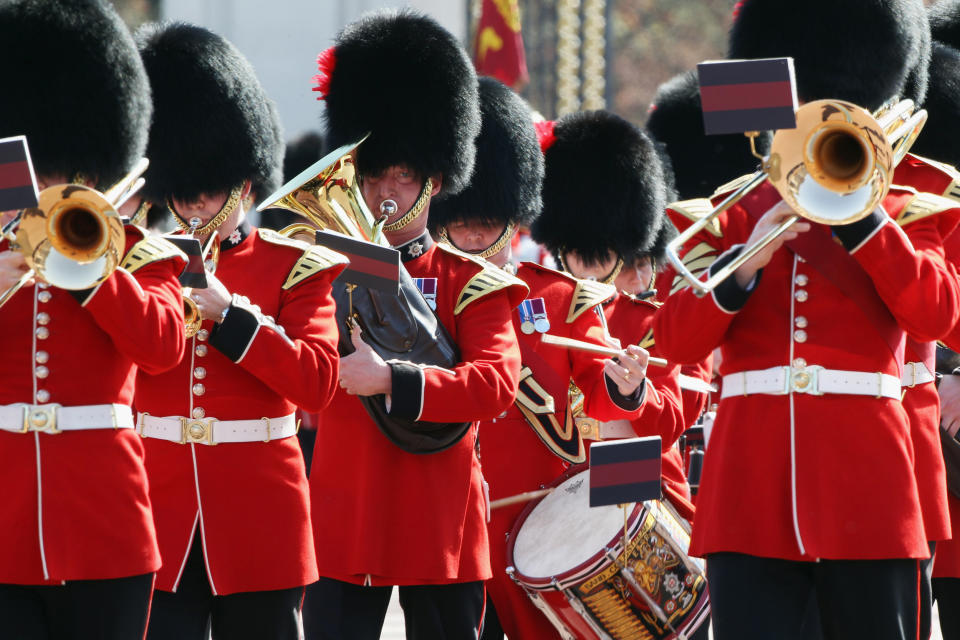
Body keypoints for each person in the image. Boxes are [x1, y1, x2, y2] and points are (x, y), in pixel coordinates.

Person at [654, 1, 960, 638]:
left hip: (867, 491)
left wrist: (865, 220)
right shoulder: (731, 213)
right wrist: (742, 265)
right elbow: (675, 340)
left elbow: (935, 313)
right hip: (749, 496)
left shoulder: (912, 208)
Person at [303, 10, 527, 640]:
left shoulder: (469, 279)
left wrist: (392, 380)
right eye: (375, 176)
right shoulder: (320, 272)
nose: (387, 194)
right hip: (350, 516)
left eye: (404, 175)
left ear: (434, 181)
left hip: (439, 524)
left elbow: (494, 385)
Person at [132, 22, 347, 639]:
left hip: (260, 515)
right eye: (184, 195)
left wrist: (234, 317)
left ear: (247, 182)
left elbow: (318, 383)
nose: (196, 208)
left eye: (210, 193)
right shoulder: (139, 260)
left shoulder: (295, 266)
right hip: (159, 509)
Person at [429, 77, 653, 640]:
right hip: (454, 533)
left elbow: (603, 398)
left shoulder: (560, 297)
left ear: (516, 214)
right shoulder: (421, 295)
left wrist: (627, 387)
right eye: (462, 221)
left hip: (546, 531)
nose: (477, 233)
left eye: (488, 220)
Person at [0, 1, 187, 637]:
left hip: (105, 523)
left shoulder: (139, 250)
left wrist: (92, 268)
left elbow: (163, 346)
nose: (48, 183)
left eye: (62, 168)